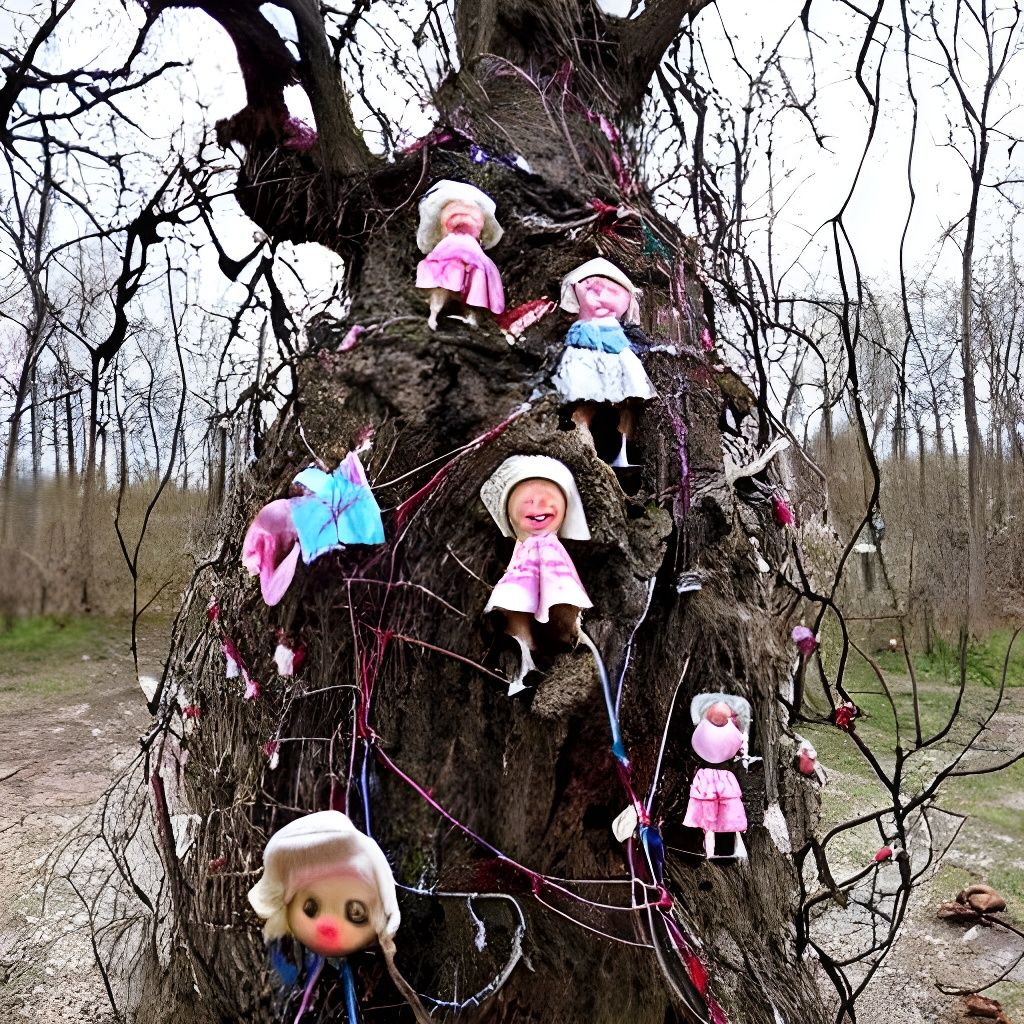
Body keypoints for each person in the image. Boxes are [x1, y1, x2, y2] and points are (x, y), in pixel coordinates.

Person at [479, 455, 592, 695]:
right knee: (516, 607)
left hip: (557, 596)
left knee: (561, 606)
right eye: (528, 499)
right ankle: (524, 659)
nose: (538, 505)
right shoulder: (522, 548)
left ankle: (571, 639)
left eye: (547, 498)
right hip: (521, 582)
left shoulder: (555, 549)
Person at [553, 257, 657, 466]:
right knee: (586, 401)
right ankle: (581, 442)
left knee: (626, 401)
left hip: (615, 359)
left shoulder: (615, 334)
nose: (603, 297)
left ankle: (621, 450)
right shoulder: (584, 331)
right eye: (593, 289)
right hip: (587, 358)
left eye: (614, 293)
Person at [415, 179, 505, 329]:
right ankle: (469, 315)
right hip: (468, 251)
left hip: (452, 249)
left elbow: (443, 232)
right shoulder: (473, 216)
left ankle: (436, 315)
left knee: (442, 282)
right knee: (474, 281)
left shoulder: (449, 216)